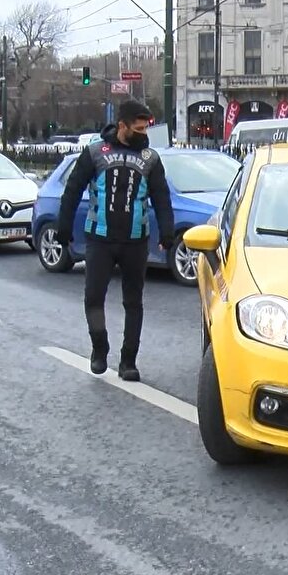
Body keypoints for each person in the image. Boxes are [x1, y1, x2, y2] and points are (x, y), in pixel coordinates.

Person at [57, 100, 174, 381]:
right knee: (93, 297)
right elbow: (72, 190)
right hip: (100, 240)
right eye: (138, 128)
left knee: (133, 302)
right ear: (122, 126)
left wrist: (167, 232)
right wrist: (64, 227)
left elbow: (161, 196)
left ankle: (128, 361)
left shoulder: (150, 158)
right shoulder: (95, 152)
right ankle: (100, 348)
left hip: (136, 240)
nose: (143, 133)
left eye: (146, 128)